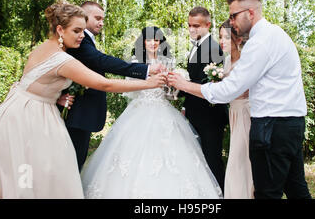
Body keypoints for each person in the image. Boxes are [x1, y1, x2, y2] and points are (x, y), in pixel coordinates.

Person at [0, 1, 166, 199]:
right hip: (26, 120)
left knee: (28, 178)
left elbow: (33, 79)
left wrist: (54, 95)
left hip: (16, 110)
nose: (82, 35)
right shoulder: (63, 60)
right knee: (31, 178)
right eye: (77, 31)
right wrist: (150, 83)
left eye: (83, 30)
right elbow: (105, 84)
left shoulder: (44, 48)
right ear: (60, 29)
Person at [168, 0, 312, 199]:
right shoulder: (276, 33)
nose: (231, 21)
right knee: (297, 188)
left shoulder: (259, 42)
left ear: (250, 13)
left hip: (272, 127)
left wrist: (184, 85)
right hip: (292, 123)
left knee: (266, 192)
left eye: (234, 15)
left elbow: (228, 91)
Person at [80, 27, 223, 199]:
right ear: (143, 42)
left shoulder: (167, 61)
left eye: (157, 40)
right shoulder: (134, 62)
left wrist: (173, 86)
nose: (153, 43)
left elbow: (171, 95)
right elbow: (131, 92)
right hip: (140, 110)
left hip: (164, 110)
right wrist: (149, 82)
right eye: (149, 40)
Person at [57, 1, 163, 172]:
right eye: (97, 18)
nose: (101, 23)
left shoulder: (83, 40)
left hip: (81, 111)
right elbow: (101, 61)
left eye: (103, 19)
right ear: (84, 17)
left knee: (75, 162)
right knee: (71, 165)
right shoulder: (79, 41)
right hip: (77, 112)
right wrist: (147, 70)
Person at [181, 7, 228, 192]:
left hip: (210, 116)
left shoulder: (215, 48)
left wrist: (179, 85)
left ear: (208, 25)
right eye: (189, 25)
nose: (192, 30)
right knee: (199, 159)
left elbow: (208, 83)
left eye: (197, 26)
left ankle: (221, 195)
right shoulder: (196, 46)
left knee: (212, 160)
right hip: (195, 113)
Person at [219, 20, 254, 199]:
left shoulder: (245, 61)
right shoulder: (226, 61)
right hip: (233, 112)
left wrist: (222, 89)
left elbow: (244, 89)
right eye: (220, 37)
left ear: (238, 40)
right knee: (236, 156)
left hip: (244, 112)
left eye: (226, 37)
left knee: (240, 159)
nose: (221, 41)